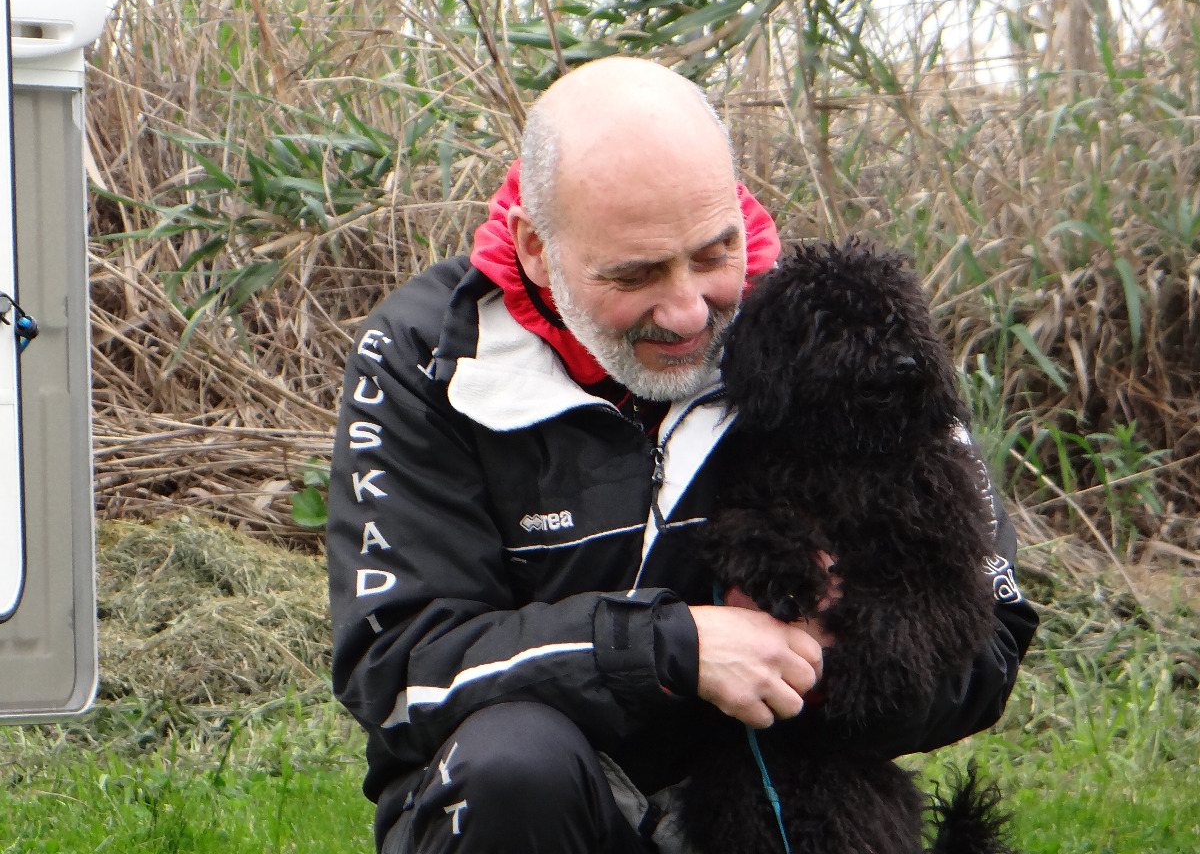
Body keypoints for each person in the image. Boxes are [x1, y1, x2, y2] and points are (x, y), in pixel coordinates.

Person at [327, 57, 1038, 853]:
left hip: (763, 799)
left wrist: (844, 653)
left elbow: (991, 636)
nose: (689, 311)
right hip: (550, 802)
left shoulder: (834, 331)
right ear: (535, 247)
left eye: (714, 253)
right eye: (636, 274)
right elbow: (394, 667)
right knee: (513, 765)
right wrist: (672, 648)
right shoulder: (423, 356)